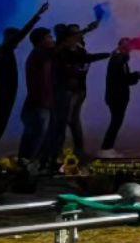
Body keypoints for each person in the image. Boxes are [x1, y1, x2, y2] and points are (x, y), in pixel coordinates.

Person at [0, 0, 48, 170]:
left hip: (3, 96)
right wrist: (37, 16)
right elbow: (22, 34)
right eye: (15, 38)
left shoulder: (4, 51)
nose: (18, 42)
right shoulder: (3, 50)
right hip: (3, 97)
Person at [42, 23, 110, 169]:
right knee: (63, 122)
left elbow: (83, 60)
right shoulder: (63, 51)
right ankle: (55, 156)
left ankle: (65, 154)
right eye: (74, 34)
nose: (78, 36)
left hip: (76, 90)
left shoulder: (76, 49)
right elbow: (79, 61)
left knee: (69, 121)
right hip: (67, 90)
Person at [100, 38, 140, 156]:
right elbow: (121, 79)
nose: (128, 49)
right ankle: (106, 149)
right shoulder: (118, 60)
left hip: (117, 96)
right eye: (125, 47)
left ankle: (107, 148)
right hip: (117, 97)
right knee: (116, 122)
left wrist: (135, 75)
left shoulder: (120, 60)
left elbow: (123, 78)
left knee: (116, 122)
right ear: (120, 47)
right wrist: (135, 76)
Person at [18, 26, 55, 165]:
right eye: (49, 37)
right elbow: (42, 83)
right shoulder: (40, 56)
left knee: (36, 135)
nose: (52, 39)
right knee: (37, 135)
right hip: (39, 103)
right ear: (41, 40)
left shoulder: (39, 55)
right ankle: (28, 165)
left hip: (38, 103)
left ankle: (28, 164)